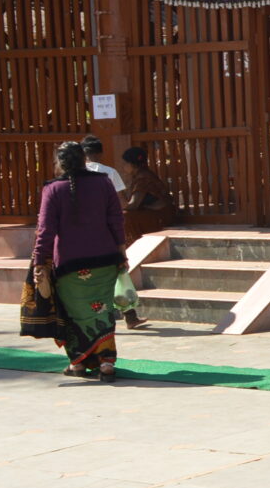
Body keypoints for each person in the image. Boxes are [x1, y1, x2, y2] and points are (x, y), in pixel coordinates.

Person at [30, 140, 127, 380]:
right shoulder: (103, 182)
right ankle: (106, 364)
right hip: (105, 260)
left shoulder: (52, 189)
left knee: (74, 316)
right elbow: (116, 220)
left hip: (70, 266)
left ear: (59, 163)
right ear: (85, 159)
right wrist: (122, 253)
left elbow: (45, 230)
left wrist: (39, 262)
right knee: (102, 312)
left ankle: (78, 364)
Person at [118, 146, 174, 245]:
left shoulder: (143, 178)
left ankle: (132, 244)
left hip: (161, 215)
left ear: (132, 164)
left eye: (125, 163)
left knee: (123, 216)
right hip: (153, 212)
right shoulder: (140, 175)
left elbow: (133, 205)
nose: (123, 166)